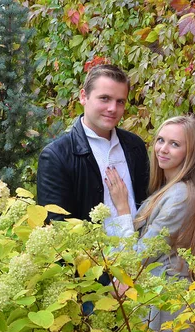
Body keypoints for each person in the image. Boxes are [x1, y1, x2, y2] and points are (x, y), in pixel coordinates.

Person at [104, 115, 195, 332]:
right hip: (154, 297)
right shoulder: (167, 189)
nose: (163, 148)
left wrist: (123, 208)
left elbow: (142, 254)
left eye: (175, 144)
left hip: (163, 304)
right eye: (160, 140)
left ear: (189, 152)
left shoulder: (181, 194)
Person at [37, 64, 149, 225]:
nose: (113, 108)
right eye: (105, 98)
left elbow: (146, 203)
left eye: (120, 102)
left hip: (140, 248)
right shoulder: (57, 156)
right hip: (90, 250)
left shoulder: (135, 146)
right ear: (83, 97)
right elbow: (57, 226)